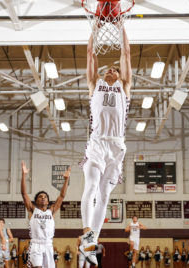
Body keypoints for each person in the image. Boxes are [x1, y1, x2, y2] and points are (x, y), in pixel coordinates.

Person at [79, 25, 132, 266]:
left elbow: (127, 53)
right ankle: (87, 237)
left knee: (104, 195)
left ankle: (92, 243)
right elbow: (90, 52)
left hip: (117, 147)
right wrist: (96, 28)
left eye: (115, 69)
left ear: (120, 76)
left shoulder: (125, 88)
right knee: (90, 187)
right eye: (108, 68)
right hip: (97, 144)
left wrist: (121, 27)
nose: (111, 69)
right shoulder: (95, 85)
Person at [20, 161, 71, 268]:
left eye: (45, 197)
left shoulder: (51, 210)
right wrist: (23, 175)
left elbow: (61, 196)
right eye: (40, 197)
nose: (43, 198)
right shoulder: (32, 210)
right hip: (36, 244)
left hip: (48, 244)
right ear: (36, 201)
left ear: (48, 201)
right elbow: (24, 194)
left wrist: (66, 180)